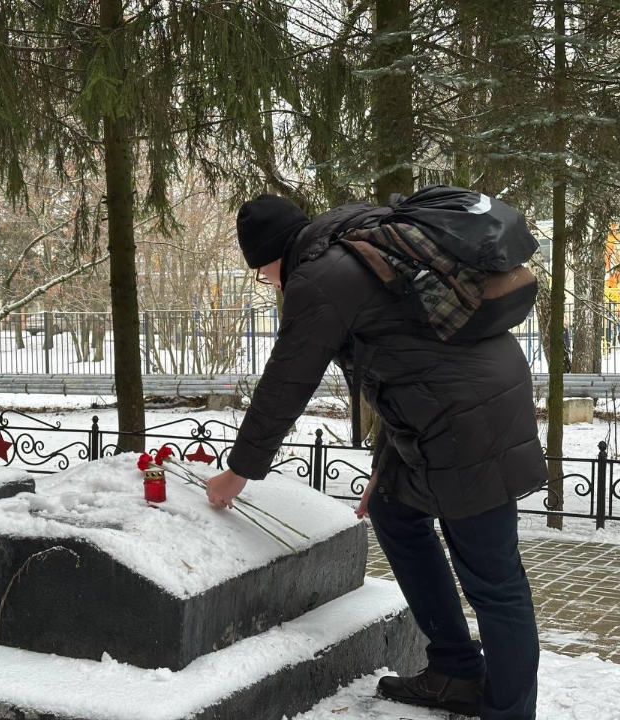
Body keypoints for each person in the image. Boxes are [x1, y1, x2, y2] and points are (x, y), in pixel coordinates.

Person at [206, 193, 546, 720]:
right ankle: (456, 670)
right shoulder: (354, 245)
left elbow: (286, 381)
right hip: (458, 407)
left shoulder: (319, 278)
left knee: (492, 578)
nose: (269, 283)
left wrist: (240, 471)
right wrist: (385, 468)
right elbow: (407, 363)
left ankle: (509, 710)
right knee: (394, 511)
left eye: (262, 273)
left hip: (469, 424)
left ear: (272, 257)